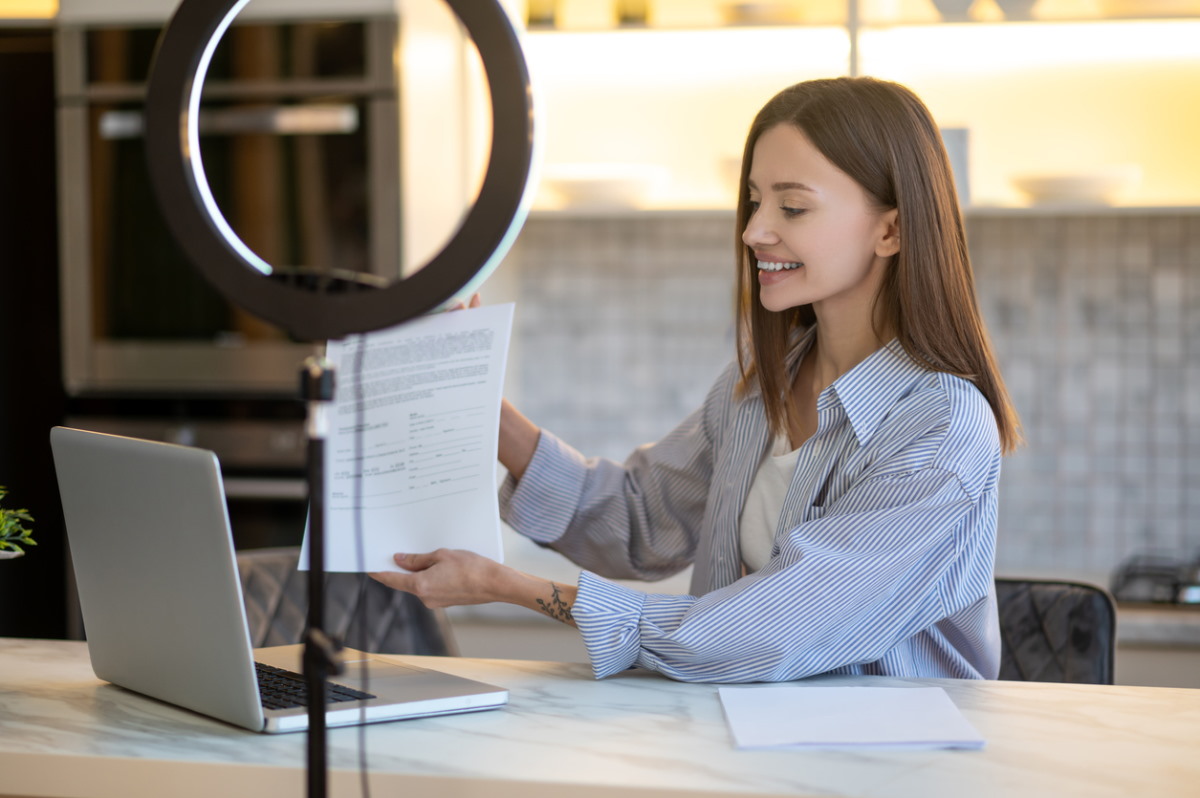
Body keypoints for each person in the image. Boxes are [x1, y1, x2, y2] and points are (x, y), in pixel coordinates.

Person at [371, 76, 1022, 683]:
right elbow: (637, 524)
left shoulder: (941, 430)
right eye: (754, 201)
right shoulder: (757, 392)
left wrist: (513, 587)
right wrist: (477, 405)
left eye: (793, 207)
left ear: (891, 229)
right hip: (749, 749)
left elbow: (765, 634)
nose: (754, 230)